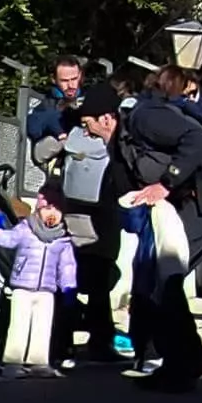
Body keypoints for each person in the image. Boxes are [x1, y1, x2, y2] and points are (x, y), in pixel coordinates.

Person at [114, 33, 202, 390]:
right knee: (164, 279)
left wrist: (165, 183)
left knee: (166, 278)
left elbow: (196, 141)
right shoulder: (144, 118)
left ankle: (182, 360)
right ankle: (184, 357)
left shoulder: (144, 117)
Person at [50, 86, 127, 365]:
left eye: (88, 123)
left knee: (86, 283)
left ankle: (67, 343)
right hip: (93, 216)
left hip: (93, 216)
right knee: (87, 284)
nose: (87, 131)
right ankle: (83, 343)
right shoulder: (115, 143)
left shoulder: (113, 141)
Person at [0, 188, 81, 370]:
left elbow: (67, 266)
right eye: (48, 208)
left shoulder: (62, 239)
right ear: (39, 209)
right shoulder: (26, 228)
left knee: (42, 327)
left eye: (57, 210)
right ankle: (13, 363)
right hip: (22, 287)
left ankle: (39, 362)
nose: (52, 214)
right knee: (19, 326)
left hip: (47, 290)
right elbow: (8, 239)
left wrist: (69, 287)